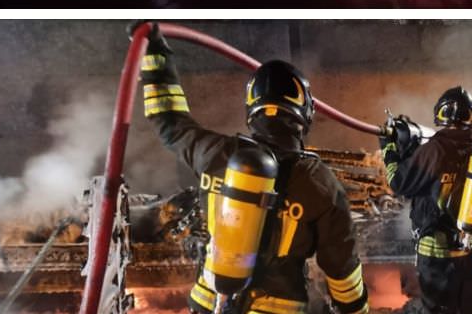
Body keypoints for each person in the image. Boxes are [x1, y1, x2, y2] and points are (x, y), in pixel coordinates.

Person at [135, 22, 370, 314]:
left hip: (210, 304)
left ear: (251, 109)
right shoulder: (320, 184)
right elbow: (341, 270)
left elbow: (168, 121)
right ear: (305, 113)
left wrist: (155, 57)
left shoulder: (216, 154)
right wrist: (357, 309)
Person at [380, 87, 472, 313]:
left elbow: (399, 183)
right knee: (464, 306)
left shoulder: (435, 150)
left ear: (441, 113)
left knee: (436, 308)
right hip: (467, 247)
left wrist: (388, 149)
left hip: (436, 250)